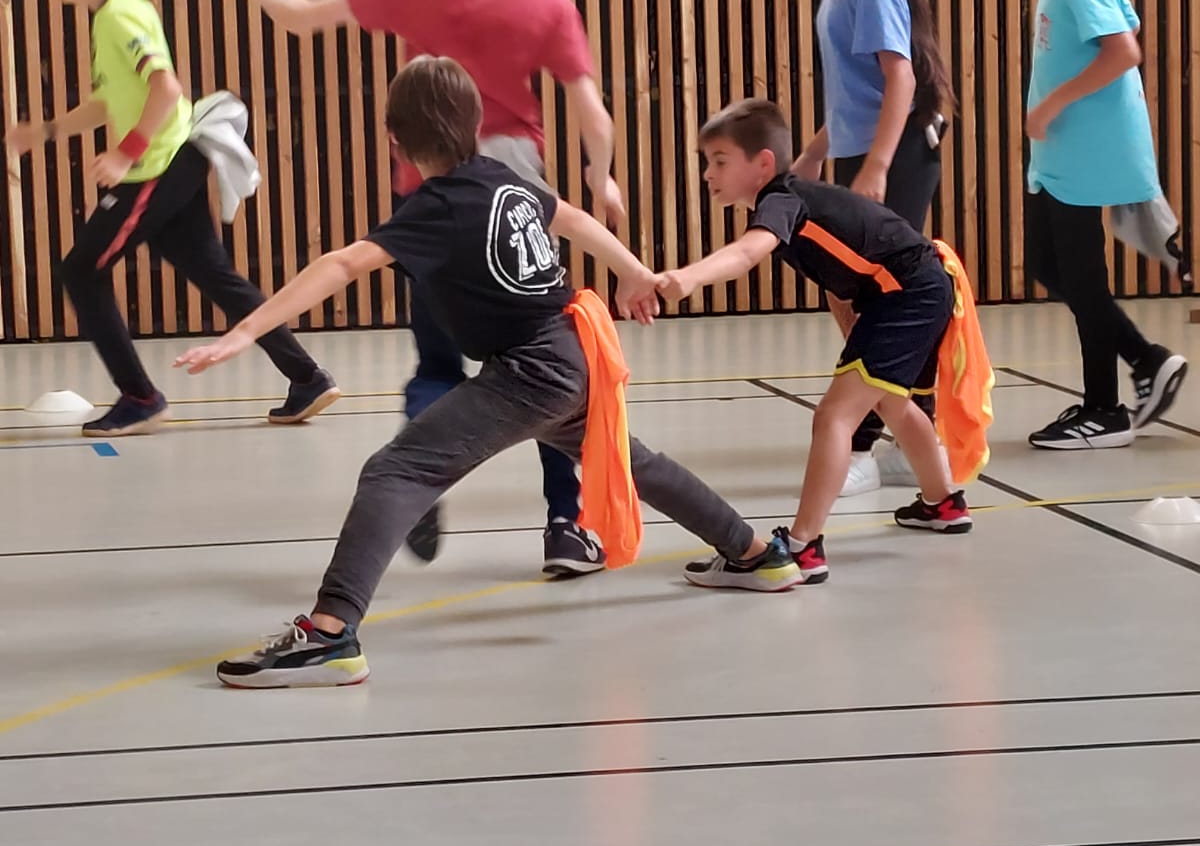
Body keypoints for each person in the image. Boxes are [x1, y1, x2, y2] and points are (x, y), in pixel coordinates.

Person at [175, 58, 804, 688]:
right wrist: (633, 271)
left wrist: (246, 331)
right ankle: (754, 554)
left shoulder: (437, 206)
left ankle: (330, 634)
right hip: (571, 351)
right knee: (631, 460)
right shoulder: (501, 178)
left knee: (397, 469)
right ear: (476, 126)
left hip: (534, 369)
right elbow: (573, 218)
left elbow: (342, 264)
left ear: (395, 140)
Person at [234, 0, 621, 578]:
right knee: (546, 351)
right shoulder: (549, 5)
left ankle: (421, 468)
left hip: (434, 195)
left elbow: (303, 18)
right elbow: (593, 115)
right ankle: (566, 527)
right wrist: (602, 180)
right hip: (516, 192)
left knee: (437, 356)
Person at [3, 0, 338, 436]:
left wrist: (126, 154)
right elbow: (109, 101)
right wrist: (45, 131)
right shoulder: (112, 15)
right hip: (173, 158)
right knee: (212, 272)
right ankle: (308, 378)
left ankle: (141, 397)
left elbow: (166, 88)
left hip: (159, 164)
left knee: (81, 270)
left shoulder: (120, 16)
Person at [658, 99, 984, 588]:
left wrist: (687, 278)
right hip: (909, 290)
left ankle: (802, 546)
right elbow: (843, 278)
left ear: (763, 163)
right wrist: (857, 334)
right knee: (891, 401)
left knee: (834, 416)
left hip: (909, 292)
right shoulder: (797, 202)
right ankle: (943, 503)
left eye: (720, 161)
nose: (708, 173)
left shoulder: (781, 202)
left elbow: (747, 253)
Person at [785, 0, 956, 494]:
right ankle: (899, 425)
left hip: (898, 152)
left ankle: (881, 433)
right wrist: (817, 149)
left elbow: (900, 78)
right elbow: (856, 89)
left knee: (883, 295)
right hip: (865, 149)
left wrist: (878, 166)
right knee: (850, 290)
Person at [1014, 0, 1187, 447]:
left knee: (1081, 275)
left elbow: (1124, 49)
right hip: (1064, 155)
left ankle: (1105, 409)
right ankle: (1144, 361)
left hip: (1083, 153)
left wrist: (1051, 104)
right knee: (1048, 265)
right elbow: (1126, 22)